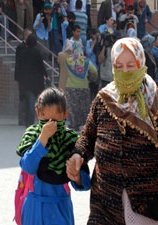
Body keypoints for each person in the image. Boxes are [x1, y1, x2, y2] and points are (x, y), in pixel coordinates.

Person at [67, 37, 158, 225]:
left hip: (148, 209)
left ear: (141, 64)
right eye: (119, 66)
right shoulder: (103, 100)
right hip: (105, 205)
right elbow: (88, 137)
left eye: (130, 66)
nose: (124, 72)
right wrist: (78, 155)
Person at [16, 87, 90, 225]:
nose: (50, 124)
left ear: (65, 115)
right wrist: (42, 140)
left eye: (55, 120)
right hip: (34, 207)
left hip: (60, 208)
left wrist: (77, 176)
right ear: (38, 113)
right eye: (45, 119)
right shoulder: (32, 135)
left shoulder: (71, 140)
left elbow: (85, 183)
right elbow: (28, 167)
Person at [57, 39, 98, 131]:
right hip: (84, 87)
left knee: (72, 106)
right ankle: (84, 125)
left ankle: (73, 124)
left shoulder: (67, 60)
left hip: (70, 87)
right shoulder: (86, 61)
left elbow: (60, 56)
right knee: (83, 107)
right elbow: (94, 72)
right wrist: (92, 79)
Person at [18, 33, 47, 127]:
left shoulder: (22, 53)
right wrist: (46, 75)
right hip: (35, 82)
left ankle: (27, 120)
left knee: (26, 102)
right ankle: (30, 121)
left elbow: (18, 67)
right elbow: (41, 66)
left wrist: (18, 79)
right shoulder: (37, 53)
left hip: (24, 82)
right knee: (32, 102)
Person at [14, 28, 32, 126]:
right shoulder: (21, 47)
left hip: (29, 76)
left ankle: (27, 117)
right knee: (23, 97)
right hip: (22, 76)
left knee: (29, 96)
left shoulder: (32, 46)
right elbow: (19, 62)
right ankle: (21, 118)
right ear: (25, 36)